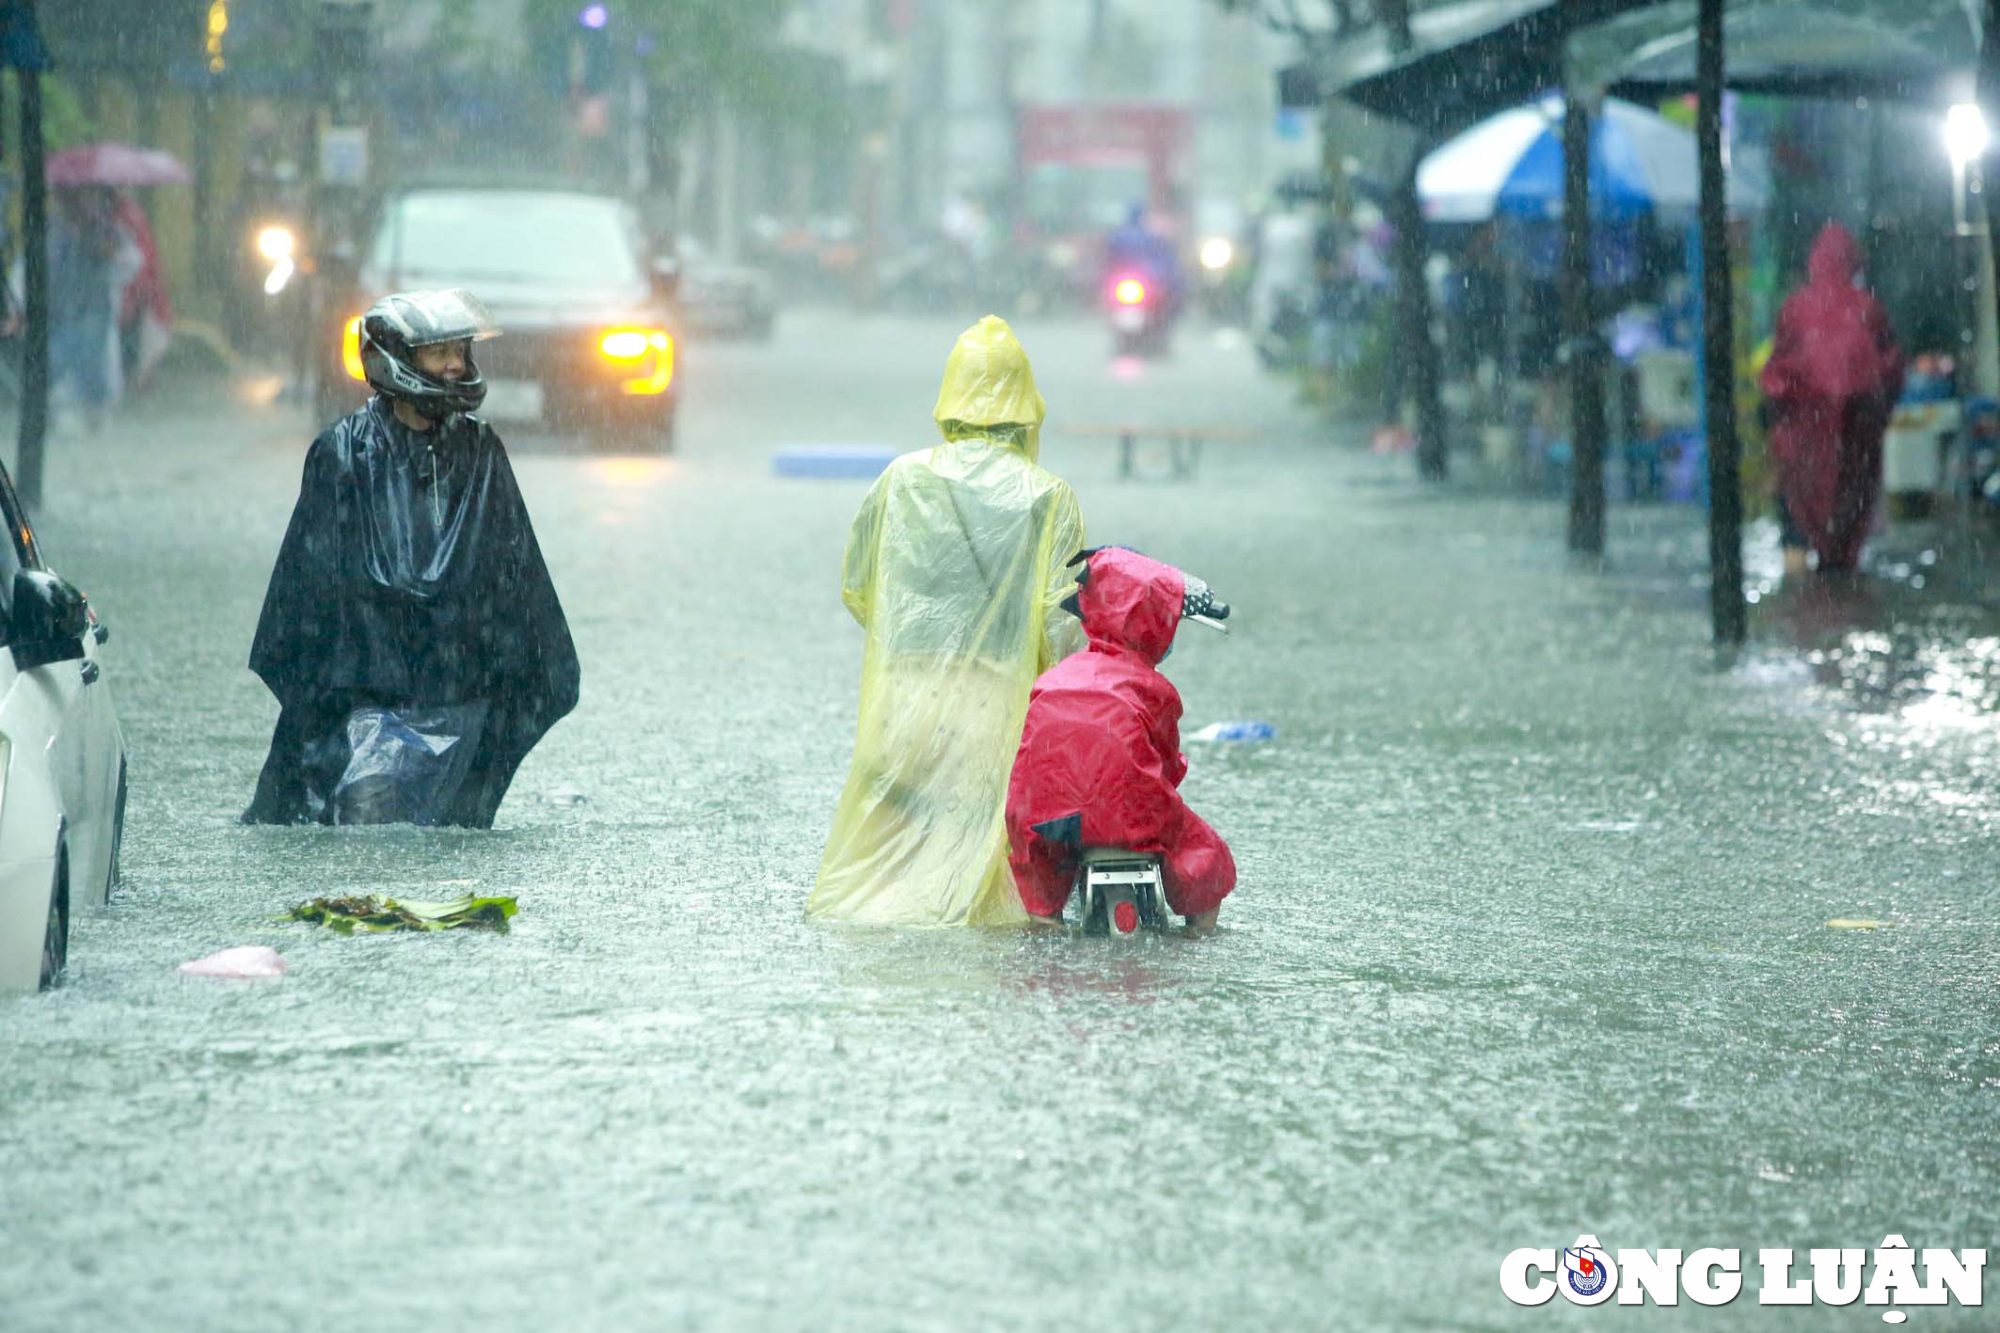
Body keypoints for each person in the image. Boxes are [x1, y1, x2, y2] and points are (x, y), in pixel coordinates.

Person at [244, 290, 579, 827]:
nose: (454, 365)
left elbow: (515, 576)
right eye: (437, 352)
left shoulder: (482, 452)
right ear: (396, 358)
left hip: (460, 696)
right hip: (367, 706)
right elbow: (310, 588)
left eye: (460, 351)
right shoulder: (344, 453)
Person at [810, 316, 1086, 926]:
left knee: (896, 846)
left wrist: (923, 645)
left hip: (906, 695)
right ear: (1027, 405)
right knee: (976, 854)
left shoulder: (900, 479)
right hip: (997, 703)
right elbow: (1062, 626)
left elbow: (860, 587)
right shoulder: (1048, 496)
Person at [1006, 547, 1236, 935]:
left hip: (1047, 818)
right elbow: (1167, 763)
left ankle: (1045, 924)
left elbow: (1028, 759)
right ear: (1152, 626)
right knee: (1201, 851)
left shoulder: (1052, 680)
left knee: (1037, 868)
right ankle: (1201, 934)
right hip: (1127, 811)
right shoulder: (1152, 687)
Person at [1759, 223, 1905, 576]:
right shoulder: (1869, 309)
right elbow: (1890, 371)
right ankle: (1840, 613)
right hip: (1853, 450)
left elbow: (1776, 377)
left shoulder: (1794, 308)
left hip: (1802, 449)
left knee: (1796, 538)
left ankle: (1798, 612)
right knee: (1843, 543)